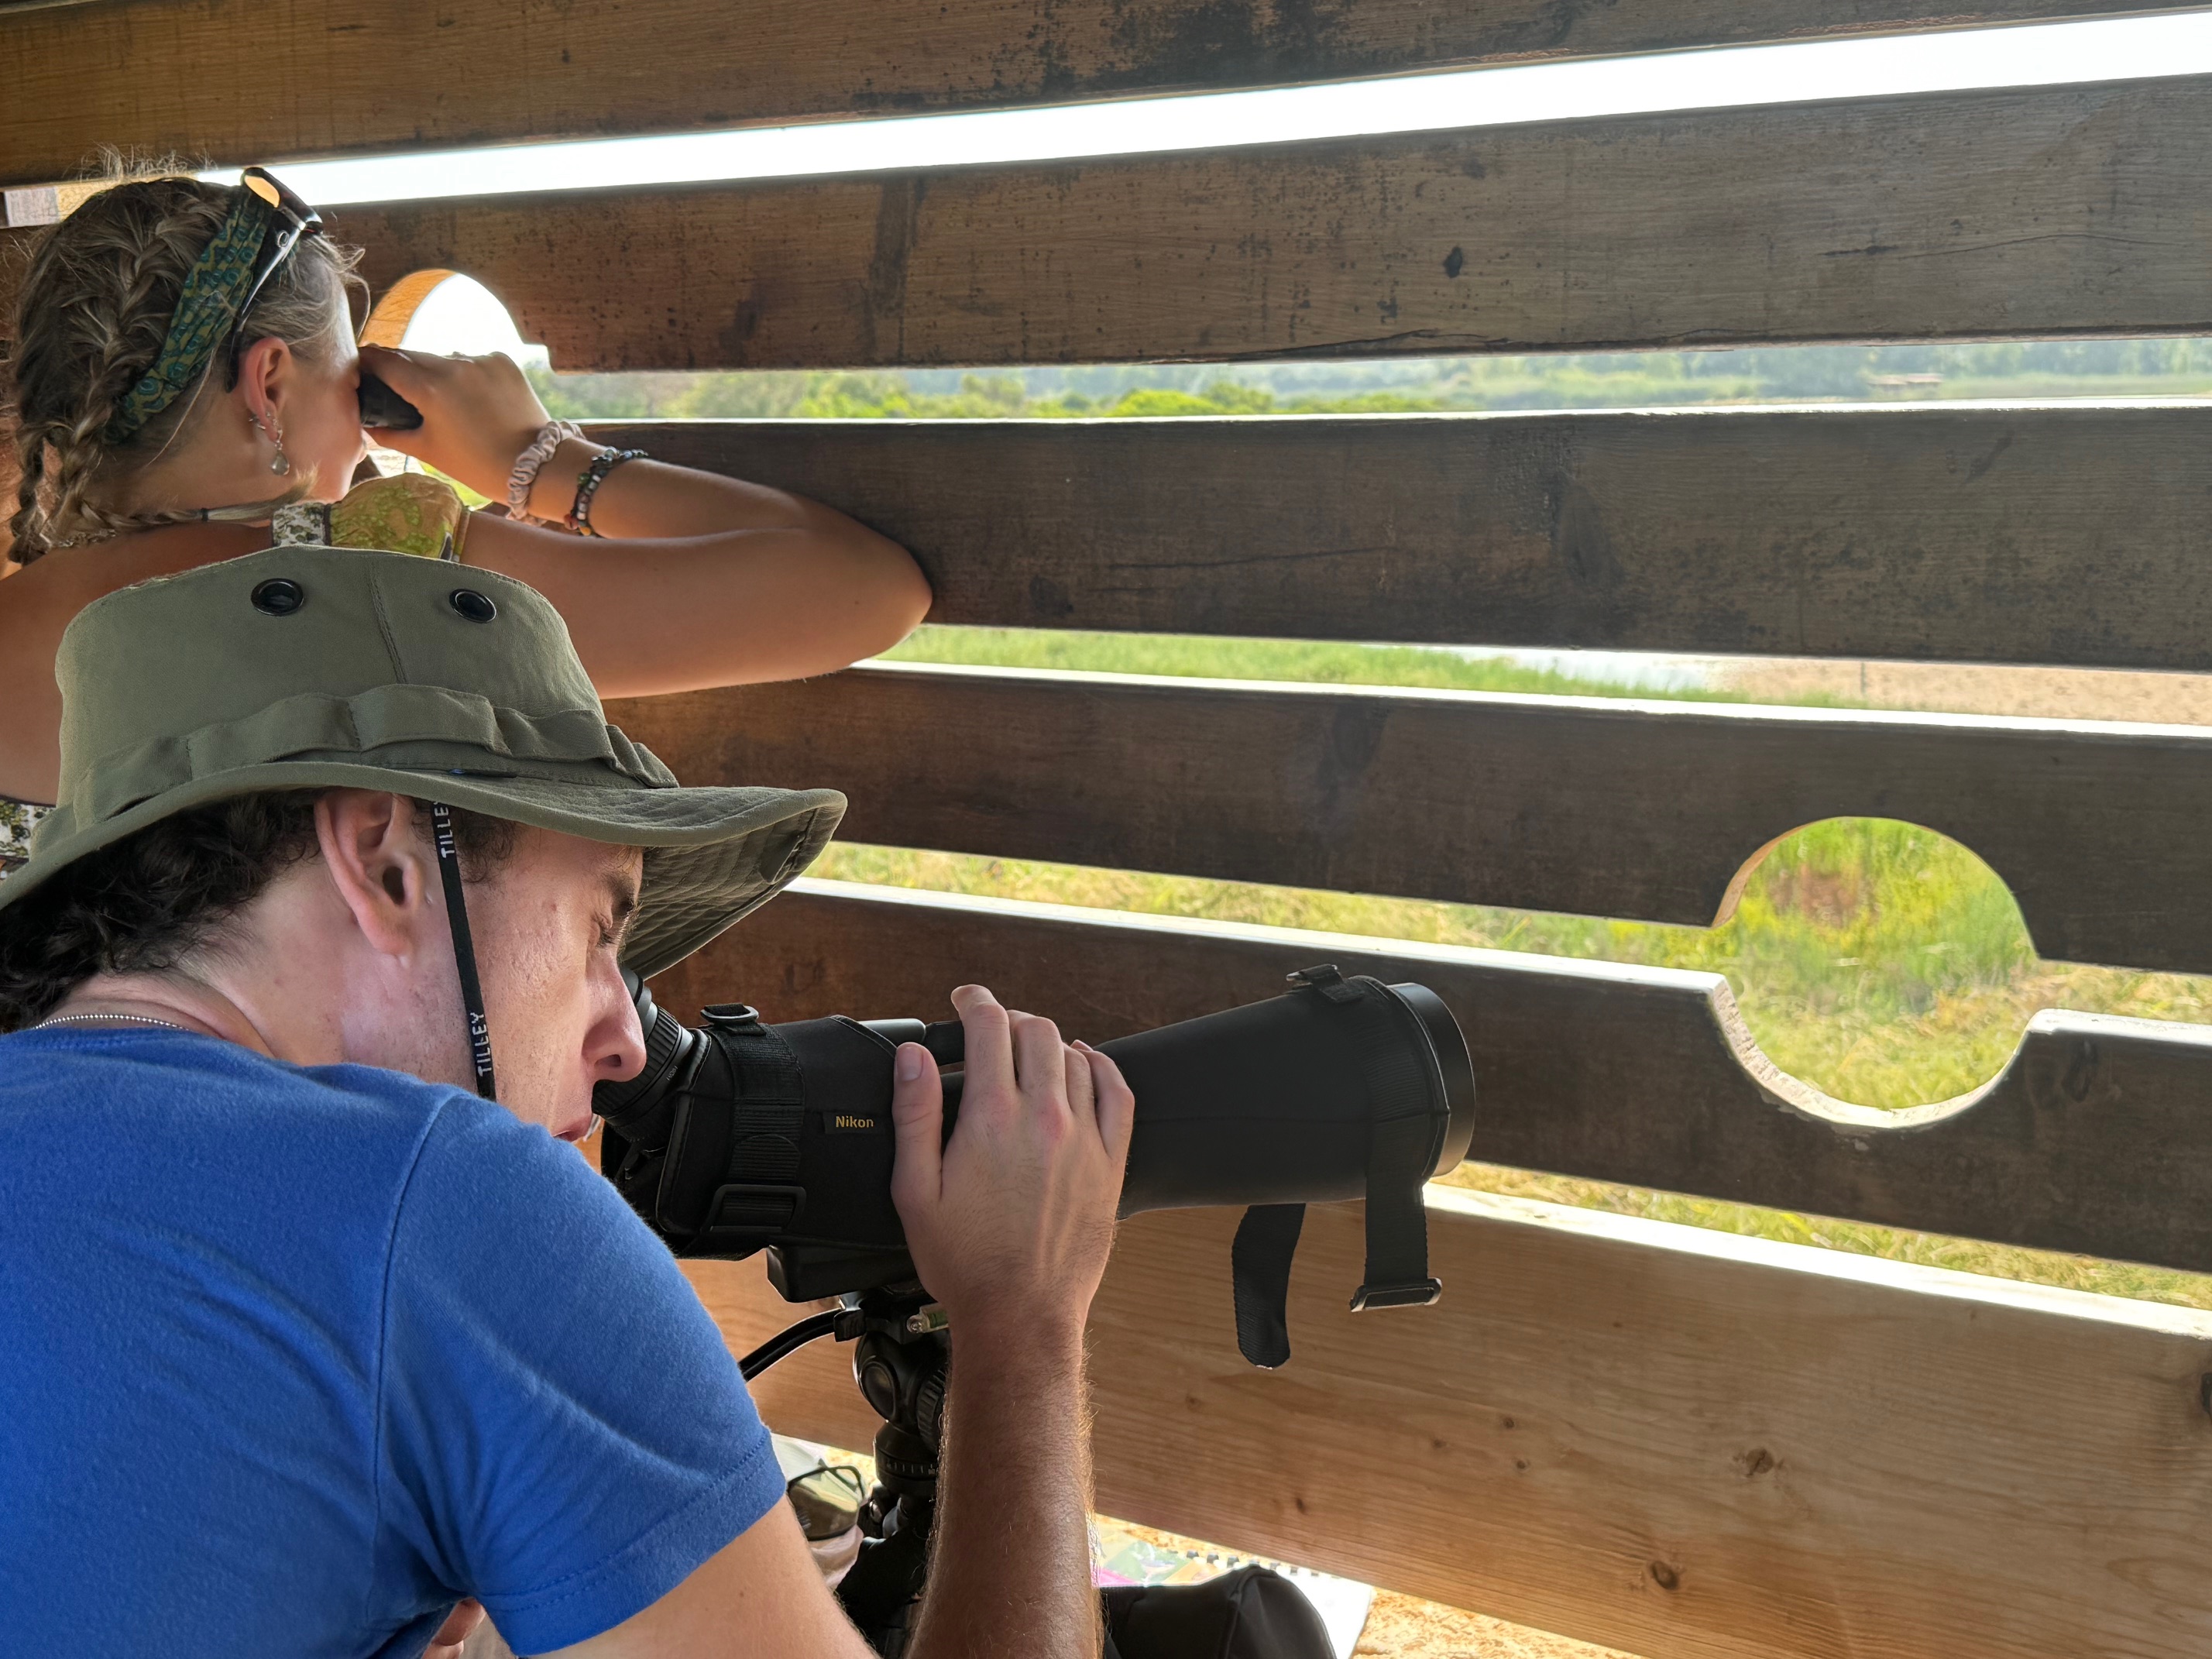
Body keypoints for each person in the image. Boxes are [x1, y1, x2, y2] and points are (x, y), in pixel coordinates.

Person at [0, 546, 1132, 1658]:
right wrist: (1020, 1321)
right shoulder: (457, 1207)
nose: (626, 1043)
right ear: (387, 865)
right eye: (601, 929)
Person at [0, 164, 933, 867]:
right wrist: (539, 459)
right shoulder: (375, 572)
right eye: (353, 381)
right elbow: (865, 592)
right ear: (270, 384)